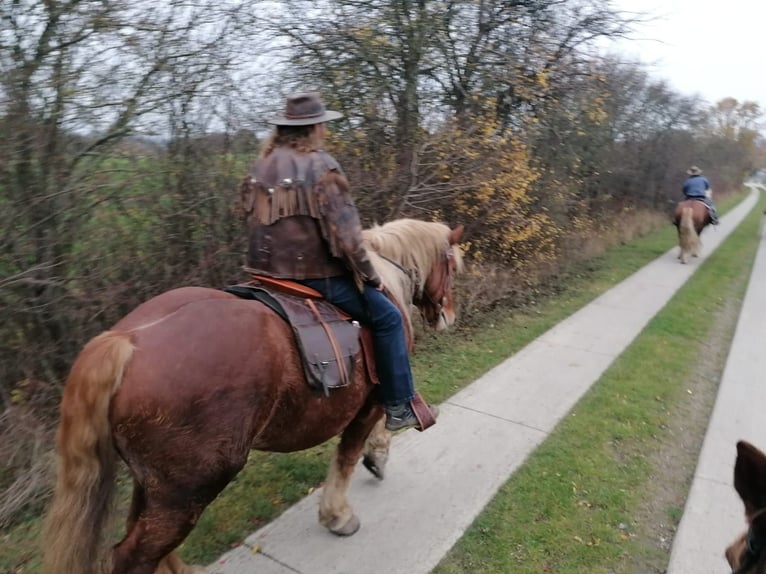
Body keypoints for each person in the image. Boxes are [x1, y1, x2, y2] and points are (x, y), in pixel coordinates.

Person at [240, 92, 438, 432]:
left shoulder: (262, 166)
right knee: (389, 317)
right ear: (316, 127)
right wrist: (370, 276)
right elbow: (347, 236)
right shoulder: (322, 166)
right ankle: (398, 405)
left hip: (265, 276)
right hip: (315, 277)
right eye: (324, 126)